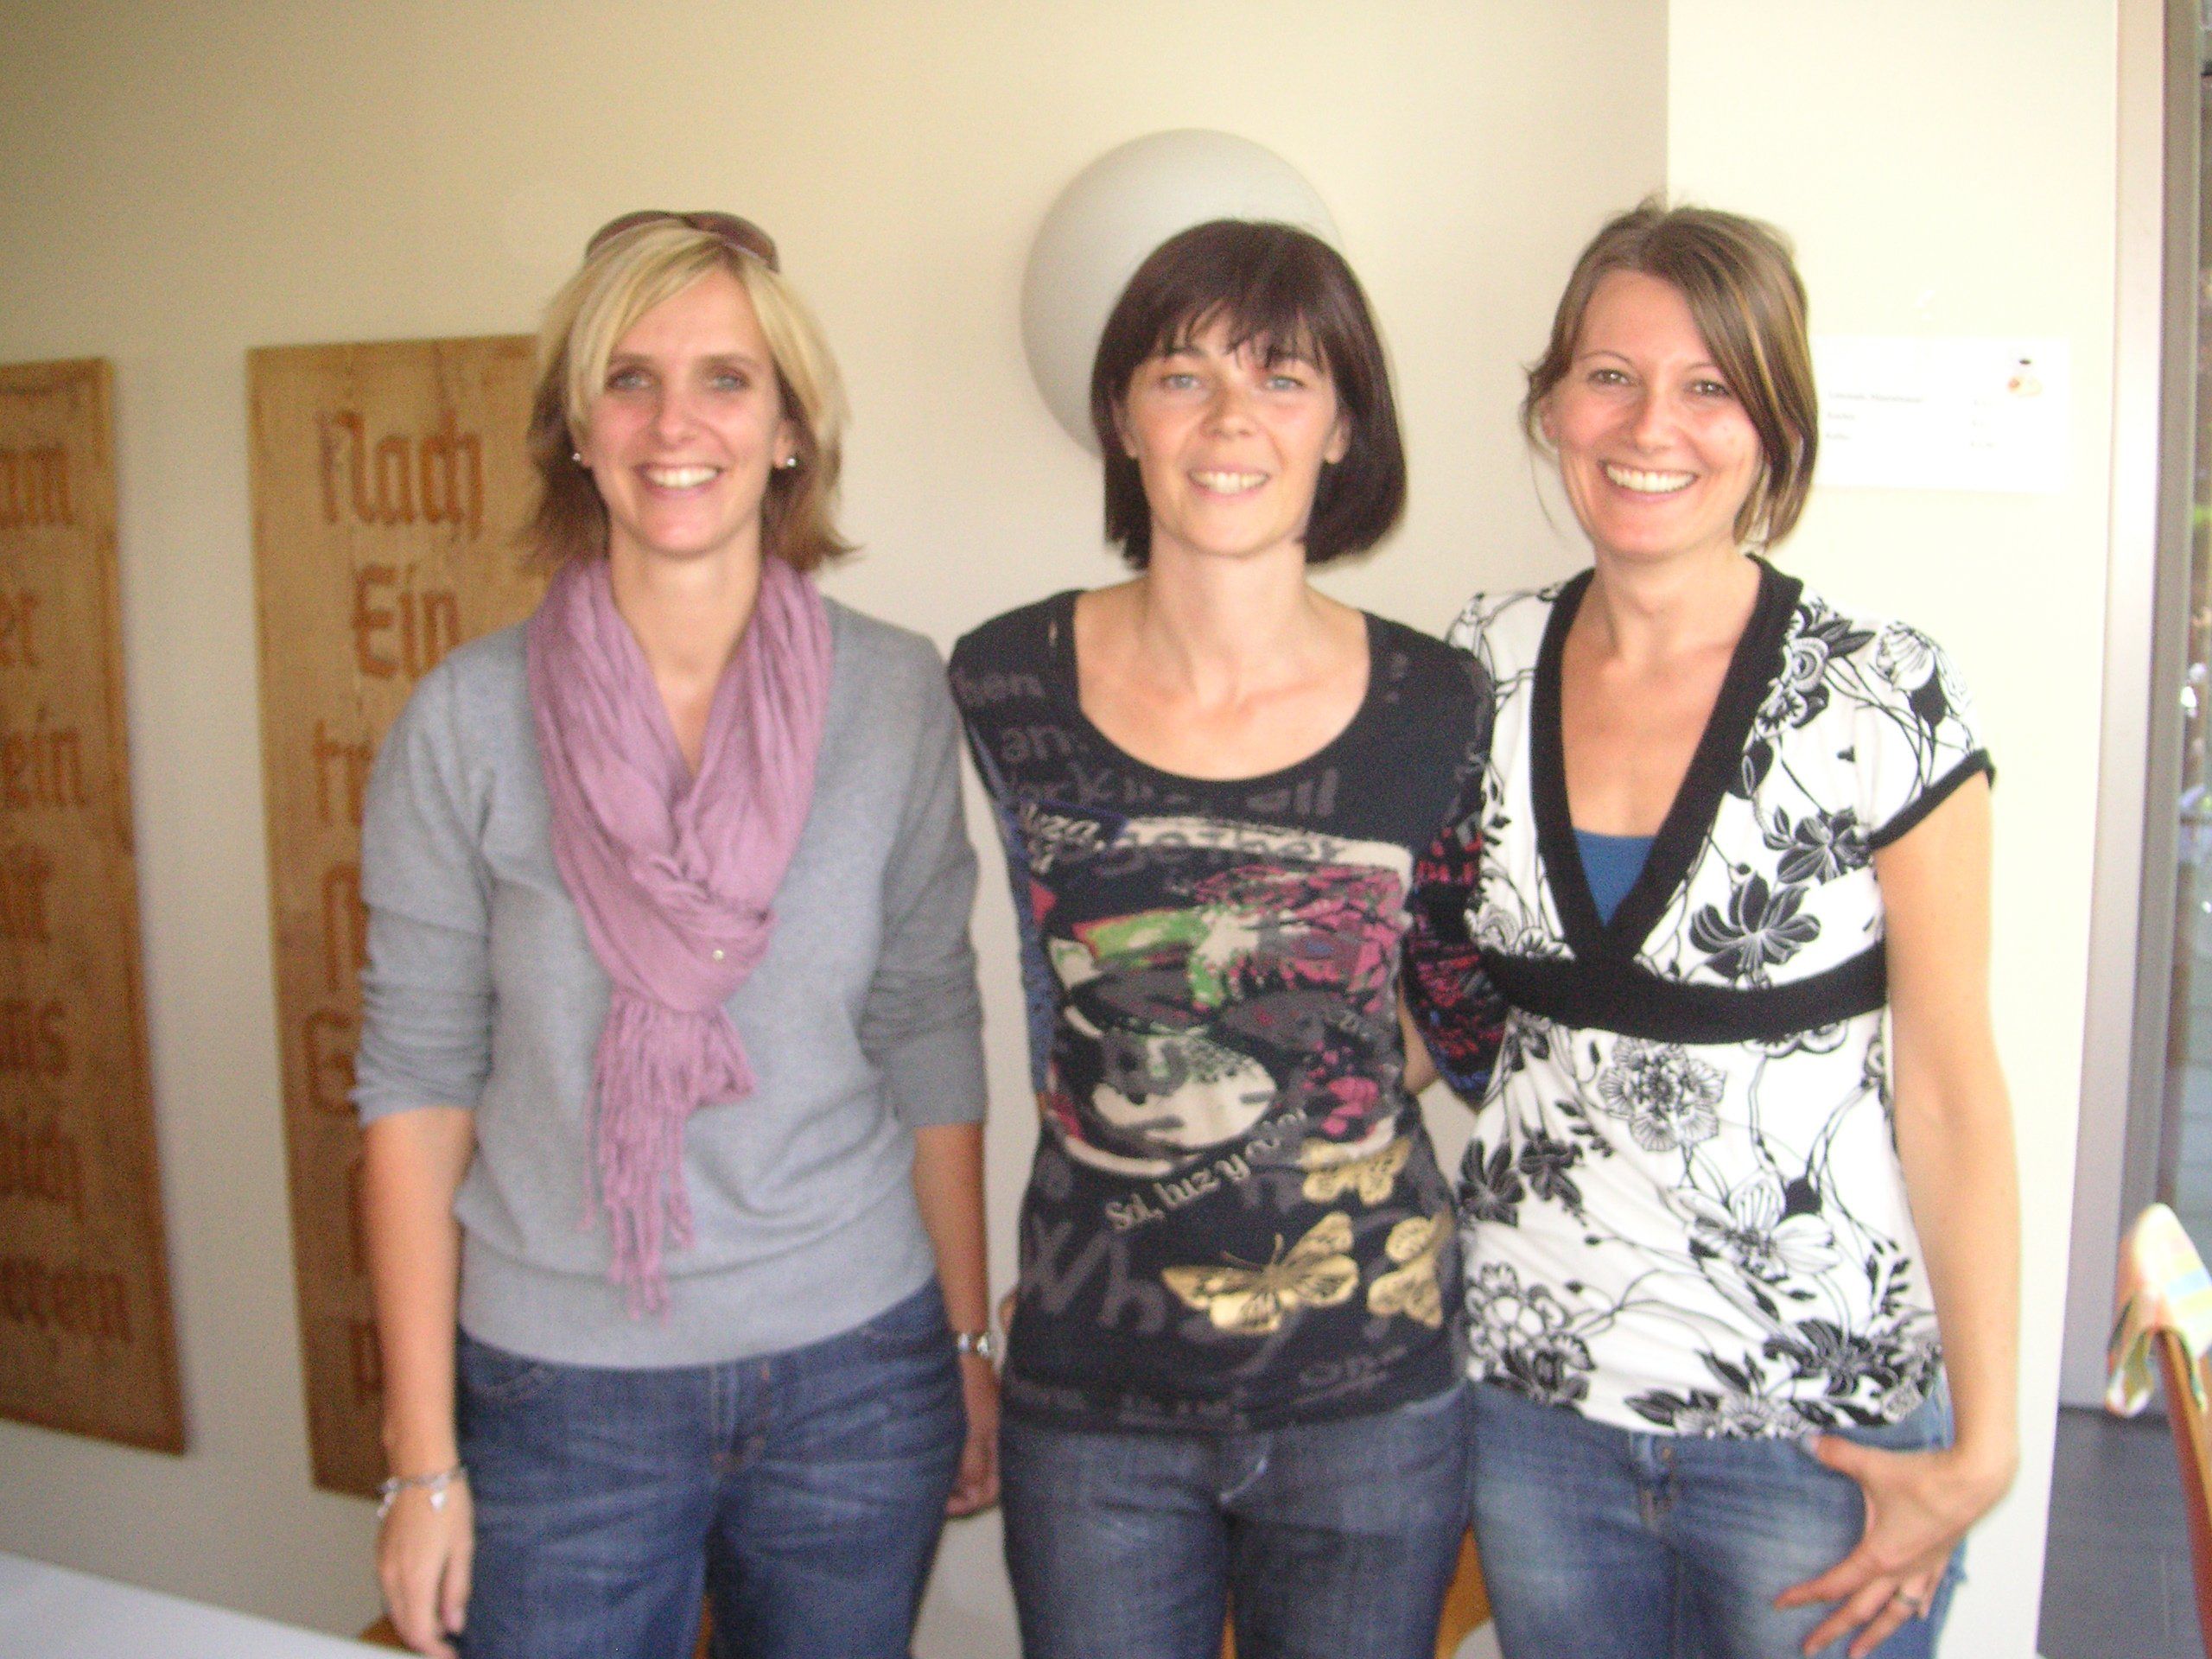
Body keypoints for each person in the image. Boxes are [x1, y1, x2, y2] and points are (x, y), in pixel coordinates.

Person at [355, 210, 995, 1659]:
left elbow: (927, 1023)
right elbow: (417, 1083)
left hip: (857, 1372)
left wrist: (966, 1342)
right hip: (557, 1396)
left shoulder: (894, 697)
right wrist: (420, 1459)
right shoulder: (465, 720)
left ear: (790, 430)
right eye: (627, 380)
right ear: (576, 432)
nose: (673, 424)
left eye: (726, 379)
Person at [1406, 199, 2018, 1659]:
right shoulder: (1474, 670)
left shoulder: (1882, 696)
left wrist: (1986, 1446)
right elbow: (1432, 1008)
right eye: (1611, 376)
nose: (1650, 427)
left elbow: (1949, 1090)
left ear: (1775, 426)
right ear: (1554, 402)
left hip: (1815, 1426)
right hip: (1535, 1405)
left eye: (1709, 387)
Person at [949, 219, 1491, 1659]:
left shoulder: (1437, 702)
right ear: (1125, 418)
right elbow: (1037, 994)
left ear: (1342, 427)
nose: (1231, 418)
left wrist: (1301, 1082)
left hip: (1368, 1391)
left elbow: (1455, 1007)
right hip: (1094, 1396)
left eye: (1284, 377)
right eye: (1183, 375)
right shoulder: (1007, 678)